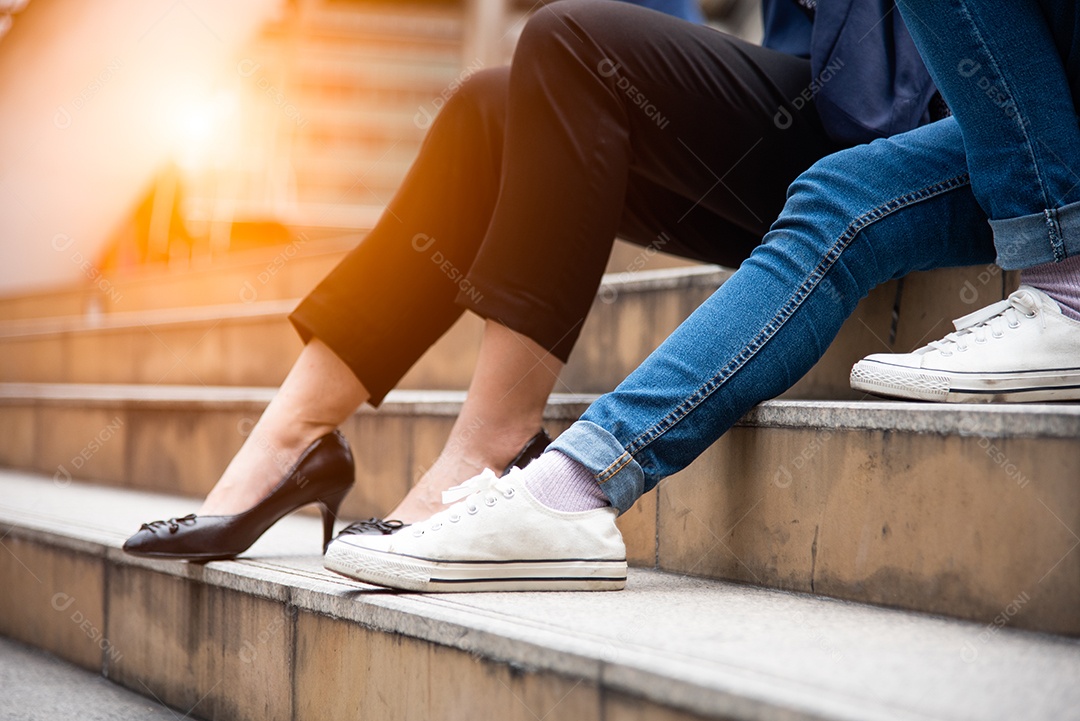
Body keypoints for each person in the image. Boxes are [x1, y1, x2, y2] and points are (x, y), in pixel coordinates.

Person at [122, 0, 941, 561]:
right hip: (810, 102)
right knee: (489, 107)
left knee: (571, 41)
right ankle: (295, 430)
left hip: (915, 124)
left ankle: (495, 447)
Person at [323, 0, 1080, 592]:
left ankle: (1067, 286)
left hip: (1031, 127)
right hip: (993, 116)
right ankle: (565, 485)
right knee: (831, 194)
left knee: (834, 194)